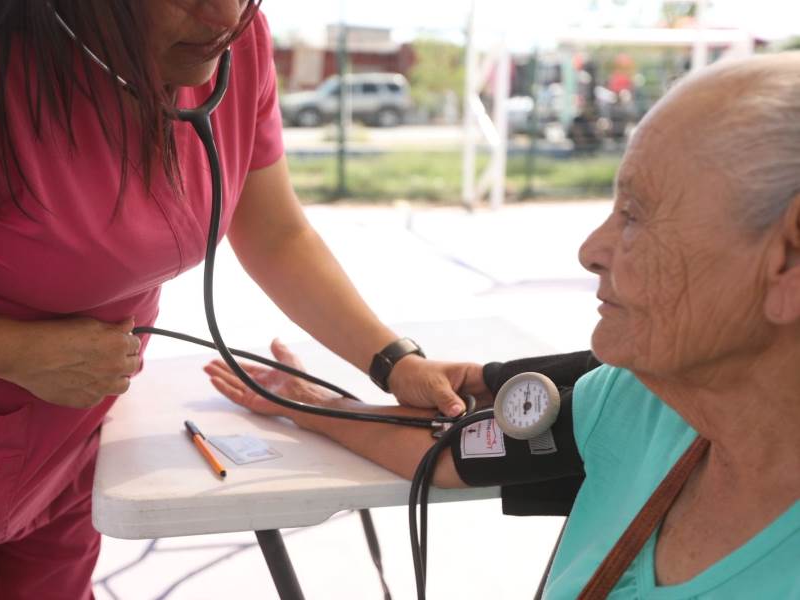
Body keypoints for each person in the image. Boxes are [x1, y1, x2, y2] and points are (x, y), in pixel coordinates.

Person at [0, 1, 487, 597]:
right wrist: (15, 353)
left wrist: (393, 361)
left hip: (72, 453)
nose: (224, 17)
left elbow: (277, 234)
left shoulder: (235, 41)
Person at [207, 52, 800, 598]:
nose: (590, 250)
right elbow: (446, 452)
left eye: (636, 215)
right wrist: (307, 402)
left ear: (789, 258)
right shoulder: (636, 400)